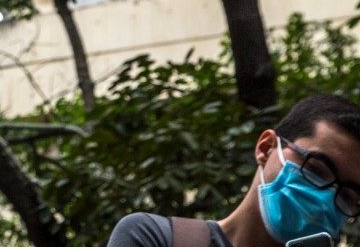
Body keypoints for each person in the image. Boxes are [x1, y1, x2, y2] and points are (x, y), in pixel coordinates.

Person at [107, 93, 360, 247]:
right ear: (266, 147)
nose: (327, 197)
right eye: (316, 169)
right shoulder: (154, 238)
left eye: (349, 196)